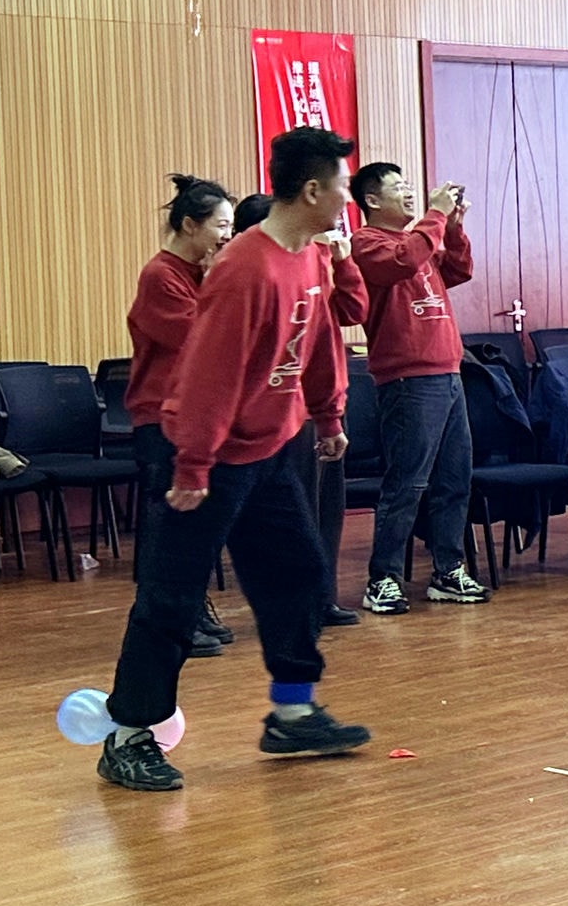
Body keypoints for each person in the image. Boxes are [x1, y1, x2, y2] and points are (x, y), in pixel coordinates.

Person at [90, 127, 372, 792]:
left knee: (300, 574)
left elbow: (322, 342)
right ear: (312, 190)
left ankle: (293, 712)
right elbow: (207, 374)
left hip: (270, 449)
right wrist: (193, 464)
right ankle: (128, 736)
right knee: (173, 595)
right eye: (342, 187)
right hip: (212, 459)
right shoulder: (245, 269)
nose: (348, 200)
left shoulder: (311, 256)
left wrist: (329, 415)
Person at [349, 163, 484, 615]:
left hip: (448, 372)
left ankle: (448, 570)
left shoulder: (418, 241)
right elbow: (403, 262)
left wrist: (455, 227)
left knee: (454, 479)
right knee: (407, 482)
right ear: (371, 200)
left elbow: (458, 270)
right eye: (399, 187)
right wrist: (436, 215)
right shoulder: (367, 243)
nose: (409, 192)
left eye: (409, 185)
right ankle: (382, 579)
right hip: (408, 378)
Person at [237, 191, 363, 628]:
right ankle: (292, 604)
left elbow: (353, 310)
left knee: (326, 509)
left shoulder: (312, 262)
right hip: (278, 412)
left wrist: (343, 262)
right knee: (292, 515)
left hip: (319, 408)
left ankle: (322, 597)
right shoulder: (250, 273)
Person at [127, 174, 238, 658]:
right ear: (190, 225)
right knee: (166, 524)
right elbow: (202, 340)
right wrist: (215, 281)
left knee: (195, 522)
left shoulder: (198, 272)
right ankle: (168, 619)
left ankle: (190, 606)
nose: (228, 237)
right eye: (221, 226)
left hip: (194, 414)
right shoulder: (161, 275)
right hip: (160, 415)